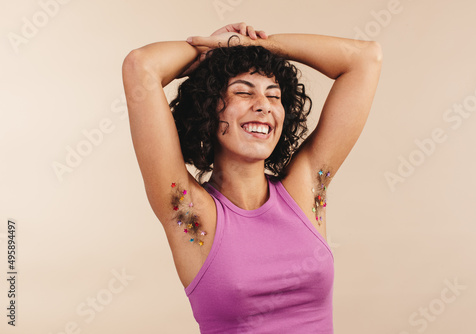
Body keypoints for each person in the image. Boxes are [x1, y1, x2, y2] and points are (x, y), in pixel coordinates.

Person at [122, 22, 382, 333]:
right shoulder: (190, 213)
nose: (263, 106)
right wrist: (216, 49)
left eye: (274, 96)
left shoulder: (306, 188)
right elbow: (141, 66)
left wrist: (260, 45)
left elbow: (366, 58)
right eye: (243, 92)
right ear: (208, 108)